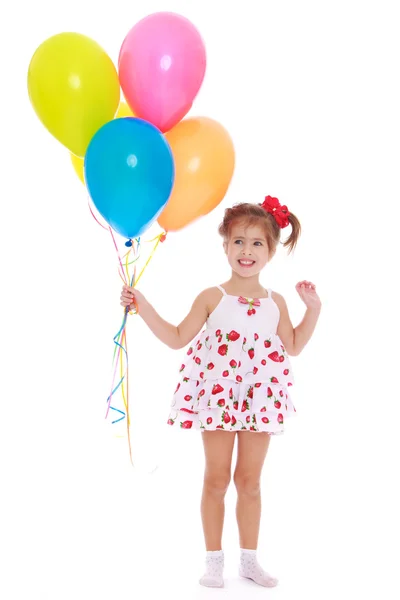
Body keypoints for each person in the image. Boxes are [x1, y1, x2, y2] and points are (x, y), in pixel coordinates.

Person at [120, 196, 322, 588]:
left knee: (250, 481)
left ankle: (250, 560)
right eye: (239, 242)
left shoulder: (276, 302)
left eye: (257, 243)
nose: (247, 251)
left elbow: (293, 345)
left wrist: (312, 309)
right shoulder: (212, 296)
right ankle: (214, 562)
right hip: (218, 396)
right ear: (225, 246)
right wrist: (141, 306)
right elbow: (177, 337)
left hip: (259, 397)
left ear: (271, 250)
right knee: (216, 478)